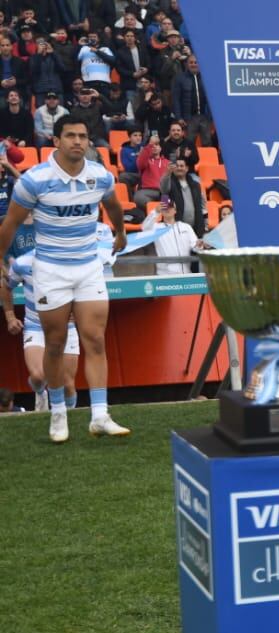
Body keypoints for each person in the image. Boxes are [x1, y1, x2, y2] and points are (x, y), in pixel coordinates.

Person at [0, 116, 129, 442]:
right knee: (55, 344)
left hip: (88, 268)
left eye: (83, 136)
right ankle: (57, 413)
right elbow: (11, 224)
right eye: (70, 135)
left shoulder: (100, 175)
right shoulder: (35, 180)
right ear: (56, 140)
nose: (77, 141)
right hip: (51, 271)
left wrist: (122, 231)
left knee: (96, 340)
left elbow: (113, 205)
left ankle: (100, 415)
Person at [2, 239, 81, 412]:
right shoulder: (22, 263)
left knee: (67, 384)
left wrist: (78, 311)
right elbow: (6, 286)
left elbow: (84, 289)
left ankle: (70, 415)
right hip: (36, 325)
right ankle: (41, 393)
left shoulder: (71, 262)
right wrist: (10, 316)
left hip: (65, 326)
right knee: (38, 376)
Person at [142, 196, 208, 274]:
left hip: (186, 273)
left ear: (175, 210)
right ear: (161, 211)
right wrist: (155, 211)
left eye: (170, 207)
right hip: (165, 274)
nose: (167, 209)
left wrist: (199, 244)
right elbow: (145, 228)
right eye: (164, 207)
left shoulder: (186, 227)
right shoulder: (156, 228)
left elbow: (196, 247)